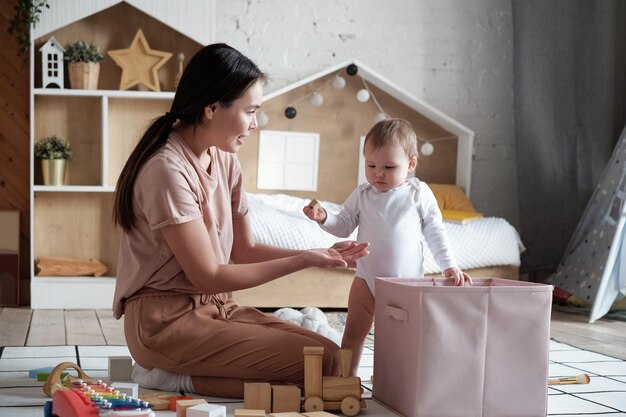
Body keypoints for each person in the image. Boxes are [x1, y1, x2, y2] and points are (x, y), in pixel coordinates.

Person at [112, 43, 369, 398]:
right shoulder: (167, 171)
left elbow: (243, 249)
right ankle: (170, 378)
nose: (254, 124)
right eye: (250, 111)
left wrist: (322, 252)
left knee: (330, 359)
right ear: (212, 109)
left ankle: (175, 376)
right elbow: (208, 274)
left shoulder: (226, 160)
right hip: (164, 323)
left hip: (218, 307)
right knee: (315, 370)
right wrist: (304, 260)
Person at [303, 118, 472, 375]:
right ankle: (345, 378)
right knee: (353, 331)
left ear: (411, 164)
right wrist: (325, 218)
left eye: (388, 167)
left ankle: (395, 380)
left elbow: (435, 230)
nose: (378, 173)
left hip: (404, 284)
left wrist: (448, 265)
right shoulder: (362, 194)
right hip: (366, 279)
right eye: (371, 165)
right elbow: (344, 224)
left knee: (400, 338)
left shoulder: (418, 193)